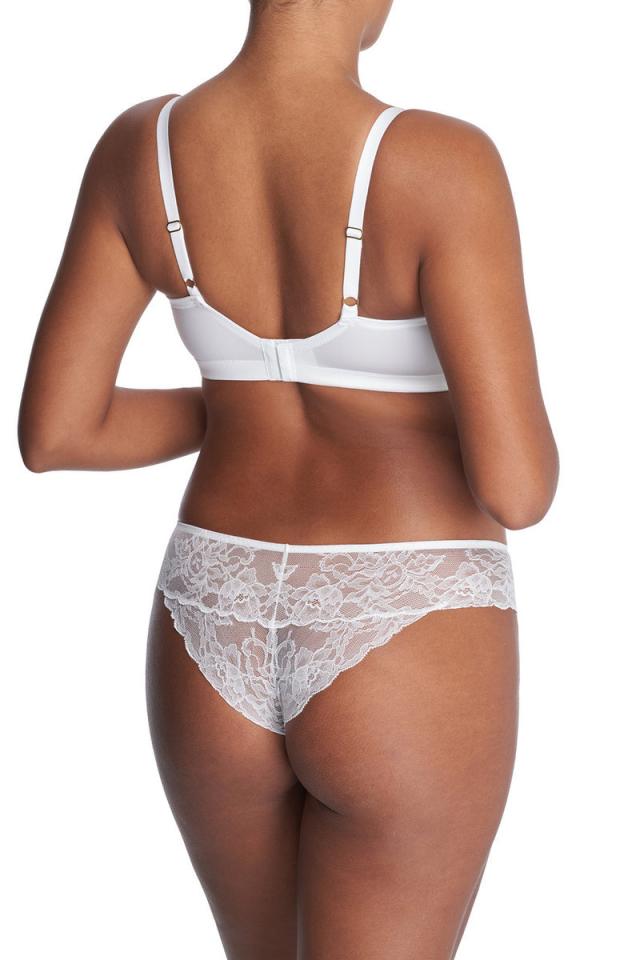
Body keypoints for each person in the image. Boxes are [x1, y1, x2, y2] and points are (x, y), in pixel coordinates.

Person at [18, 0, 559, 956]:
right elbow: (519, 486)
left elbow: (60, 431)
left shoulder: (141, 149)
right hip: (408, 611)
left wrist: (242, 404)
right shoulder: (442, 161)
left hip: (209, 607)